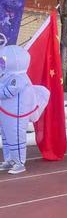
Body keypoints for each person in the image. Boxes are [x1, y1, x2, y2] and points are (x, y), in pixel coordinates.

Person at [0, 45, 49, 174]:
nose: (3, 62)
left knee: (15, 137)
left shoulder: (19, 78)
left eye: (5, 60)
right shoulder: (7, 76)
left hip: (15, 114)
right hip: (6, 113)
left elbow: (7, 92)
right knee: (6, 137)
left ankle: (19, 162)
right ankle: (9, 160)